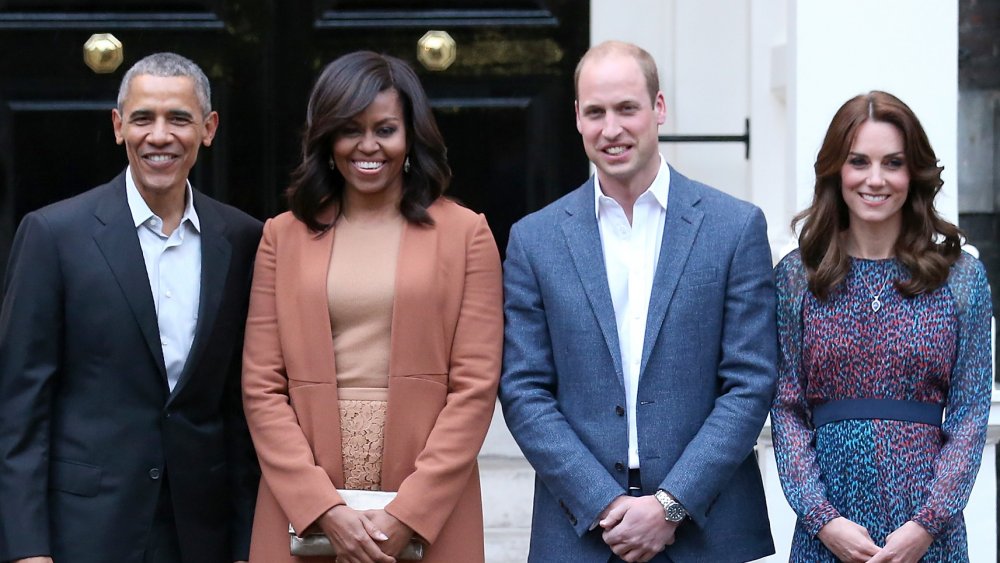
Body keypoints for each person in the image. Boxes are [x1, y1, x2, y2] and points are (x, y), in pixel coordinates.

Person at [498, 40, 778, 563]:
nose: (612, 129)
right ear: (577, 118)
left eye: (627, 108)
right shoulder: (534, 241)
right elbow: (522, 390)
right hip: (580, 533)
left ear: (659, 108)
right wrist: (603, 503)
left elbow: (750, 382)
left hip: (707, 532)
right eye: (596, 112)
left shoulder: (734, 228)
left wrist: (670, 506)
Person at [241, 50, 503, 563]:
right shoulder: (281, 237)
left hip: (429, 502)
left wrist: (408, 514)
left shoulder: (466, 234)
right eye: (349, 130)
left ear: (411, 136)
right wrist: (322, 507)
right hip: (305, 503)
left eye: (385, 129)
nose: (368, 146)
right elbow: (262, 386)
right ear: (326, 138)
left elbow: (475, 387)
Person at [0, 52, 262, 563]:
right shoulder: (54, 235)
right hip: (85, 533)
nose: (159, 135)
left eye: (179, 119)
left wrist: (247, 543)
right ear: (119, 126)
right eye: (143, 118)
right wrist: (27, 549)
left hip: (202, 535)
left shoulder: (243, 238)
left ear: (208, 129)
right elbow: (20, 410)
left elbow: (240, 407)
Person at [771, 91, 994, 563]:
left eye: (892, 163)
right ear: (837, 170)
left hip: (929, 535)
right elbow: (787, 407)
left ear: (913, 173)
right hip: (828, 532)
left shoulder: (961, 277)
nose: (875, 179)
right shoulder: (798, 276)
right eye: (859, 162)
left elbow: (971, 412)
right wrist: (822, 519)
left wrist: (927, 524)